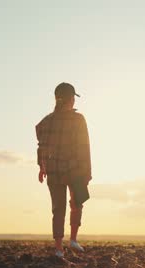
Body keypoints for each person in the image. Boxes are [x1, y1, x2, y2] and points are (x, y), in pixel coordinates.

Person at [36, 82, 91, 258]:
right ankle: (73, 240)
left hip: (53, 169)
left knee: (57, 208)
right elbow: (85, 147)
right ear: (71, 99)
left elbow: (41, 147)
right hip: (75, 168)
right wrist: (87, 172)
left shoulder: (45, 122)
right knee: (77, 203)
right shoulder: (78, 119)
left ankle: (59, 248)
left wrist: (42, 166)